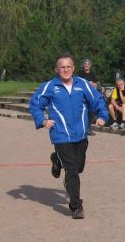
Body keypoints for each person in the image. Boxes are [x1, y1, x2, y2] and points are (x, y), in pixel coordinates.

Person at [29, 53, 107, 219]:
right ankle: (75, 206)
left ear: (73, 68)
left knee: (78, 168)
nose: (66, 70)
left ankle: (57, 160)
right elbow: (35, 103)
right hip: (61, 135)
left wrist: (102, 115)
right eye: (62, 67)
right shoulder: (50, 86)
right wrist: (42, 120)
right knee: (72, 171)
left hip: (80, 134)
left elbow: (97, 99)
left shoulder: (82, 84)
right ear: (56, 69)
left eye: (68, 67)